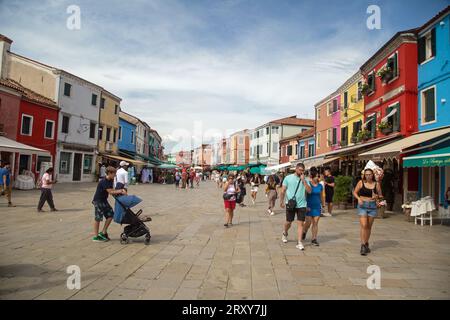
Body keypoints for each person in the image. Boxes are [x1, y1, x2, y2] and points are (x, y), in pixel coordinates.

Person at [280, 163, 312, 251]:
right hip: (290, 204)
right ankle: (285, 232)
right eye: (300, 170)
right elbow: (283, 190)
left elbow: (309, 191)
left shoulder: (306, 179)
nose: (301, 172)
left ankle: (299, 242)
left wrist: (304, 181)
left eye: (303, 170)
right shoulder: (288, 178)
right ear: (296, 169)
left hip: (302, 204)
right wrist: (281, 201)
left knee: (300, 223)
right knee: (289, 222)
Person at [92, 166, 127, 242]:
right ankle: (96, 236)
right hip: (98, 201)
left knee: (111, 215)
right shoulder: (104, 181)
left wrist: (119, 194)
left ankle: (103, 232)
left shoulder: (111, 180)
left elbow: (112, 191)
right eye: (114, 174)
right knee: (98, 218)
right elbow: (110, 191)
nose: (115, 175)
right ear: (109, 173)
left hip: (104, 200)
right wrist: (121, 191)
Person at [353, 168, 383, 256]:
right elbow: (354, 192)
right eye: (366, 174)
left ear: (372, 175)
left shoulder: (376, 184)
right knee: (364, 225)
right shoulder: (361, 182)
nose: (368, 176)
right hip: (362, 206)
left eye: (370, 174)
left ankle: (366, 243)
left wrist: (377, 196)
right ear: (364, 175)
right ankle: (362, 245)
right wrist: (358, 199)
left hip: (372, 207)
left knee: (369, 227)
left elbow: (381, 195)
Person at [303, 167, 324, 246]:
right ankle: (304, 231)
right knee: (308, 223)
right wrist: (305, 205)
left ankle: (314, 239)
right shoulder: (308, 184)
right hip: (309, 206)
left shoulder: (320, 186)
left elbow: (322, 196)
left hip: (317, 206)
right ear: (312, 176)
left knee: (315, 223)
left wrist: (323, 205)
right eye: (316, 176)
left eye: (318, 176)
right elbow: (304, 196)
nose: (318, 178)